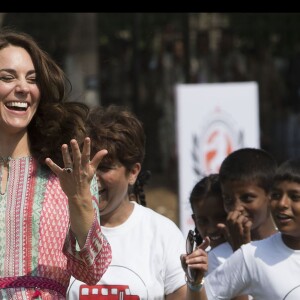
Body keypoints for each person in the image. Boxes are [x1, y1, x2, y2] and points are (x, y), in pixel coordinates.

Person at [0, 28, 111, 299]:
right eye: (7, 77)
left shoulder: (66, 171)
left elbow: (92, 270)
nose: (23, 88)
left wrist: (79, 199)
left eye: (32, 79)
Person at [67, 104, 188, 299]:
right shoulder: (57, 227)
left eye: (104, 167)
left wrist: (197, 284)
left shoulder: (162, 233)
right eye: (85, 165)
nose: (91, 176)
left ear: (133, 172)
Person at [183, 157, 300, 299]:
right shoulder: (248, 256)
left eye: (295, 197)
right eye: (277, 195)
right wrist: (195, 283)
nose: (237, 208)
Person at [218, 147, 278, 251]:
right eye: (228, 199)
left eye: (247, 198)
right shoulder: (216, 257)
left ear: (272, 195)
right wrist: (240, 250)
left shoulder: (292, 248)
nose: (236, 208)